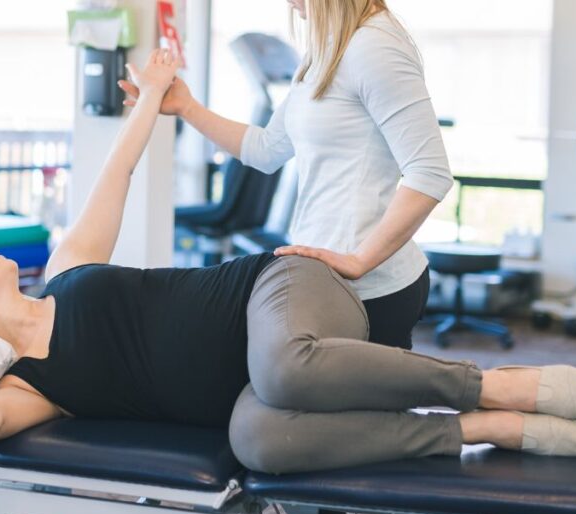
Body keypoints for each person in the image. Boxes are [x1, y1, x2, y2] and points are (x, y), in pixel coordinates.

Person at [0, 49, 576, 479]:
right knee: (261, 440)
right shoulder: (30, 388)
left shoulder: (65, 271)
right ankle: (478, 428)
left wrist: (159, 96)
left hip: (277, 289)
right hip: (252, 389)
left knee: (286, 370)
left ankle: (492, 384)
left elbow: (115, 175)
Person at [121, 0, 449, 350]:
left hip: (370, 286)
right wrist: (187, 108)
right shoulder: (325, 51)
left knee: (353, 400)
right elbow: (266, 149)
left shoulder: (376, 47)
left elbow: (429, 173)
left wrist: (359, 261)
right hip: (321, 275)